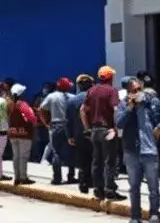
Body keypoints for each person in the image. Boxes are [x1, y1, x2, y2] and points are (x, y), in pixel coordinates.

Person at [115, 76, 160, 223]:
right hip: (131, 151)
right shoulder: (123, 106)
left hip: (149, 150)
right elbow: (119, 123)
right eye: (133, 91)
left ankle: (154, 217)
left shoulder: (152, 102)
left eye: (138, 89)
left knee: (153, 187)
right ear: (128, 93)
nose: (137, 93)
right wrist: (129, 108)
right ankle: (135, 218)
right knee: (134, 187)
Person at [80, 66, 125, 201]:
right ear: (110, 77)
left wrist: (87, 128)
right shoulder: (112, 90)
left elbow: (83, 110)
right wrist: (117, 128)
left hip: (94, 130)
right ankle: (110, 190)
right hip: (107, 130)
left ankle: (98, 189)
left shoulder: (91, 90)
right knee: (109, 161)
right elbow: (116, 109)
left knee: (97, 161)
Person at [40, 77, 77, 185]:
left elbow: (41, 109)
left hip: (56, 125)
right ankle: (71, 176)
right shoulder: (72, 97)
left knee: (57, 153)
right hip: (69, 126)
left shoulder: (51, 97)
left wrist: (46, 123)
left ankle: (57, 178)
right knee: (71, 151)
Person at [66, 74, 95, 193]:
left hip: (78, 135)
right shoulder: (94, 98)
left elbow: (68, 120)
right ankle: (93, 182)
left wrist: (70, 136)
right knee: (95, 158)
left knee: (82, 160)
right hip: (94, 133)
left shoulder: (72, 100)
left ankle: (83, 183)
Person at [7, 84, 37, 185]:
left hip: (12, 133)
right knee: (23, 156)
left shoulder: (9, 104)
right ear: (21, 94)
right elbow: (32, 118)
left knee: (16, 156)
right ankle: (23, 177)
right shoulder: (23, 104)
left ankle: (17, 177)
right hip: (24, 134)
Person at [31, 83, 54, 162]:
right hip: (40, 123)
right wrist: (38, 111)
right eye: (45, 88)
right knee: (40, 141)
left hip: (48, 123)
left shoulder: (51, 97)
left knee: (48, 142)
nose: (46, 90)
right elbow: (33, 108)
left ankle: (47, 158)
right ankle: (40, 158)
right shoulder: (38, 97)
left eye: (48, 88)